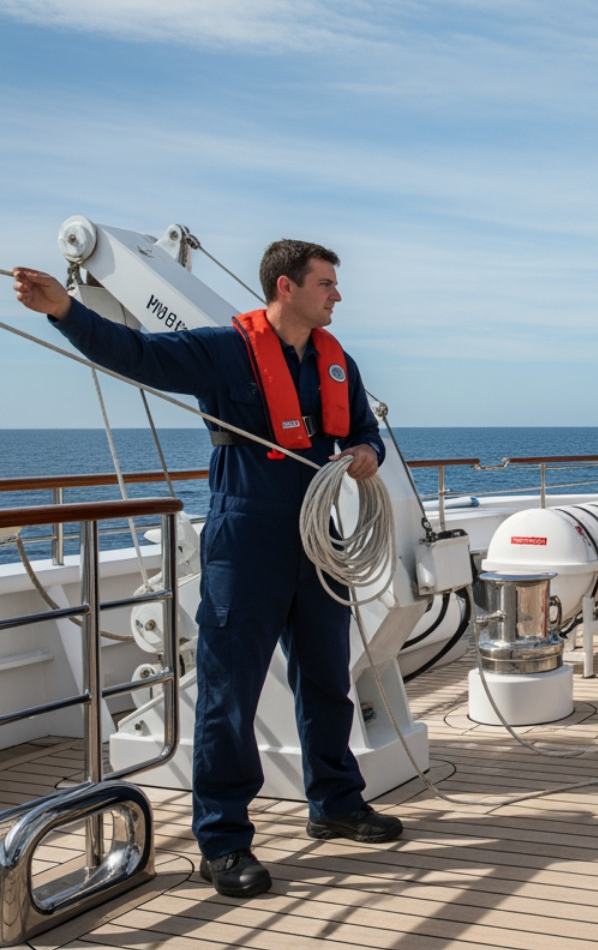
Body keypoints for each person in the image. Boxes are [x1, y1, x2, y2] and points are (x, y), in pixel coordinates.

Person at [12, 242, 402, 899]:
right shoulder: (227, 351)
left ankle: (335, 802)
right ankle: (224, 842)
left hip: (319, 540)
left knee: (329, 678)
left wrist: (364, 451)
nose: (338, 295)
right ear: (287, 287)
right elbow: (139, 354)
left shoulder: (341, 365)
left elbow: (367, 430)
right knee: (229, 697)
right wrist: (66, 312)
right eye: (327, 284)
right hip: (245, 538)